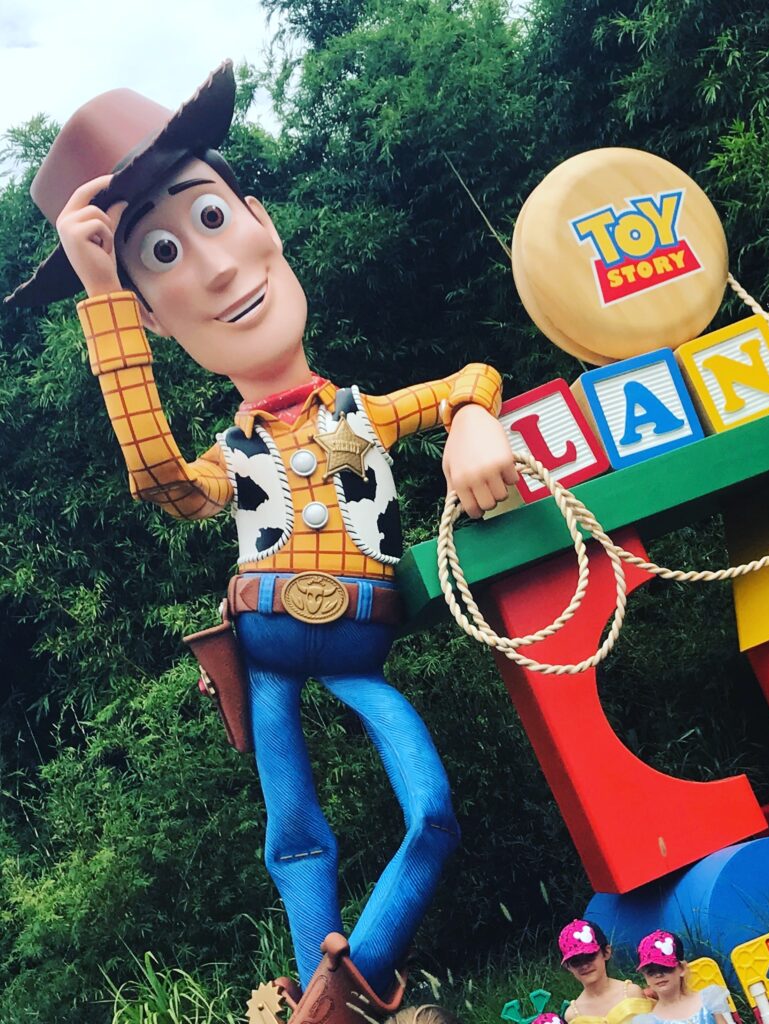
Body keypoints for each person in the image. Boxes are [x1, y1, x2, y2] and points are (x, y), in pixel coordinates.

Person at [6, 62, 517, 1023]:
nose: (214, 268)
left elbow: (468, 378)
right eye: (155, 256)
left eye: (208, 221)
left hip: (363, 641)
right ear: (151, 317)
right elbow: (162, 481)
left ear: (261, 219)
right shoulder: (226, 454)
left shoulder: (362, 416)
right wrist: (102, 298)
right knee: (292, 836)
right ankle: (325, 995)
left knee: (433, 812)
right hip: (269, 650)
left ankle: (340, 991)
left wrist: (474, 422)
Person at [559, 919, 652, 1024]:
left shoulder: (631, 993)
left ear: (606, 952)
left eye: (590, 956)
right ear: (567, 967)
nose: (584, 965)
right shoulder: (572, 1015)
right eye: (575, 961)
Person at [630, 932, 731, 1024]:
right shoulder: (649, 1022)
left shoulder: (707, 1001)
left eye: (665, 967)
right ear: (645, 977)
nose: (658, 975)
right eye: (650, 971)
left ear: (682, 968)